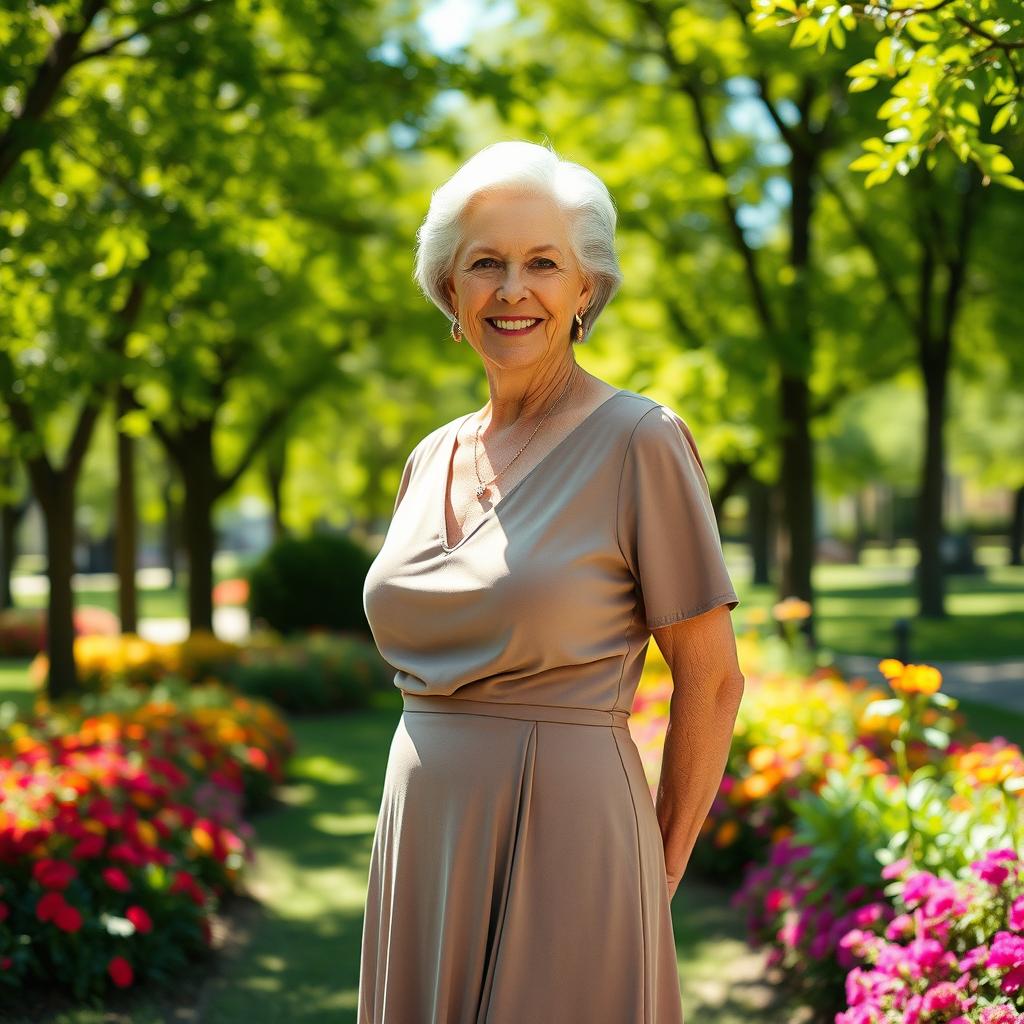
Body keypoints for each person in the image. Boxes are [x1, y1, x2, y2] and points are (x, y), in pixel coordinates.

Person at [359, 140, 745, 1023]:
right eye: (484, 264)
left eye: (543, 263)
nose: (511, 289)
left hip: (567, 835)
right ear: (449, 293)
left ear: (586, 292)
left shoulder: (641, 440)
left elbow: (712, 680)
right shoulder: (428, 457)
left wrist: (660, 866)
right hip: (420, 831)